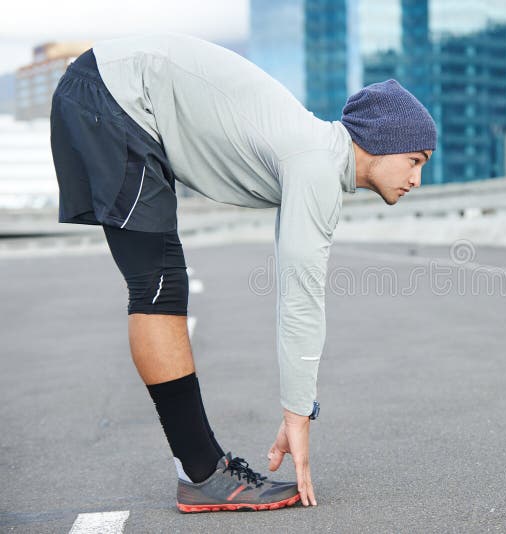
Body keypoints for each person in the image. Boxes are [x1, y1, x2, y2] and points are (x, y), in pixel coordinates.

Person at [49, 33, 436, 513]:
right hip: (114, 95)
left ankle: (200, 471)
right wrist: (299, 415)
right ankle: (202, 475)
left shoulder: (314, 154)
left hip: (109, 92)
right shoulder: (315, 162)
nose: (417, 179)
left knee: (161, 281)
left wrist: (298, 406)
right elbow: (301, 296)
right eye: (415, 161)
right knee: (159, 284)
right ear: (381, 142)